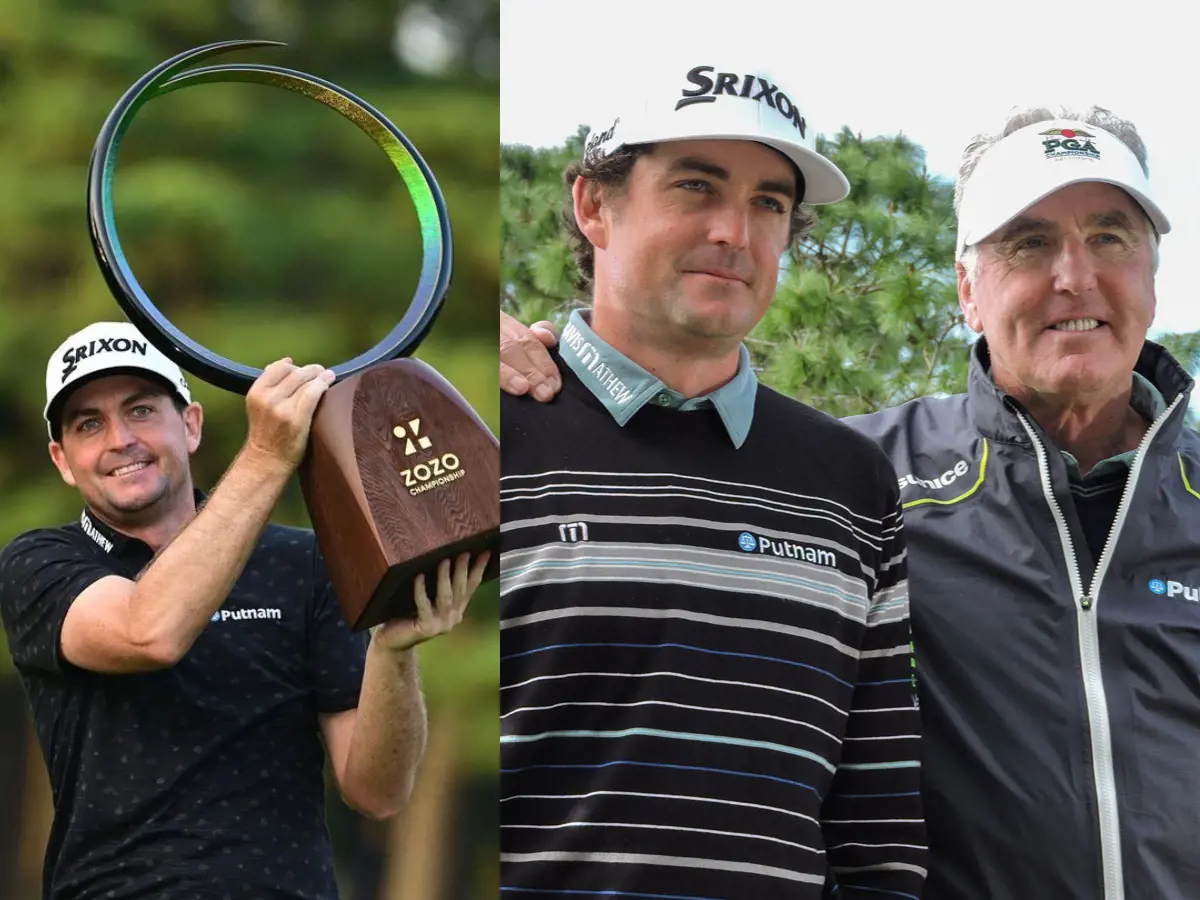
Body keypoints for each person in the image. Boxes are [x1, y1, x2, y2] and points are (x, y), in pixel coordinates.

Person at [501, 104, 1200, 899]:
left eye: (1110, 237)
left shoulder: (833, 476)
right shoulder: (856, 478)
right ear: (967, 290)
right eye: (1029, 242)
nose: (1075, 276)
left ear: (1152, 273)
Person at [500, 61, 925, 899]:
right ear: (594, 206)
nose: (736, 230)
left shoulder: (850, 479)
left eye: (769, 203)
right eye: (696, 187)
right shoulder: (491, 428)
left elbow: (878, 825)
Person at [0, 320, 490, 900]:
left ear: (190, 425)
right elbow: (148, 632)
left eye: (140, 410)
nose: (119, 440)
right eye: (89, 424)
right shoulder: (40, 563)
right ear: (62, 459)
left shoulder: (302, 562)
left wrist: (393, 650)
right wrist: (266, 454)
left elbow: (378, 792)